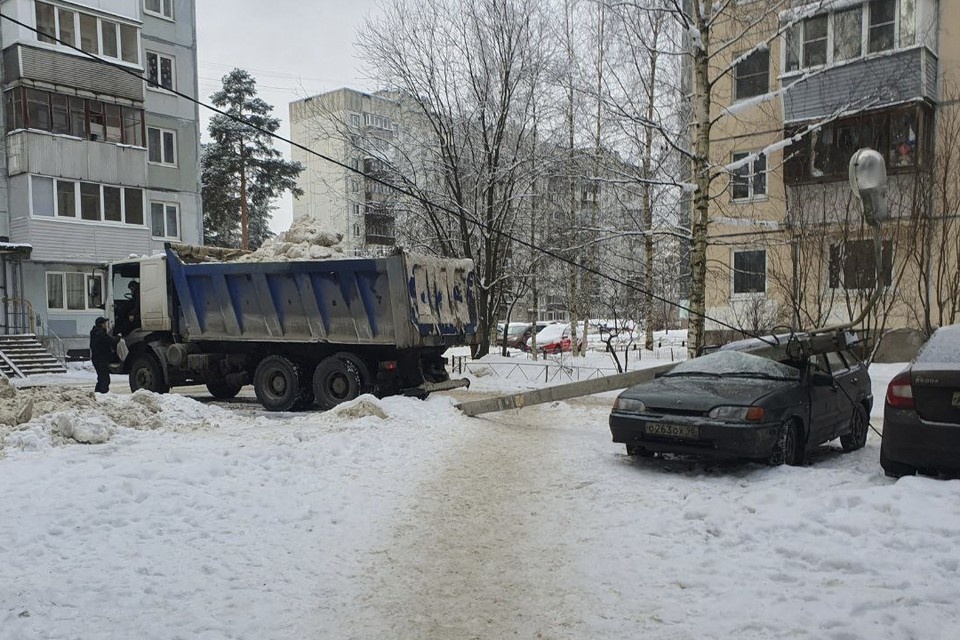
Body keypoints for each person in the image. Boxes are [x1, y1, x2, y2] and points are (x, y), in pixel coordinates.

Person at [90, 316, 119, 393]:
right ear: (101, 324)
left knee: (101, 378)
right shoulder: (100, 334)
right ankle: (103, 394)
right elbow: (111, 341)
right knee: (105, 380)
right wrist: (118, 337)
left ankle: (97, 394)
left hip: (96, 359)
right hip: (101, 359)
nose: (106, 325)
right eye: (105, 323)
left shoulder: (95, 332)